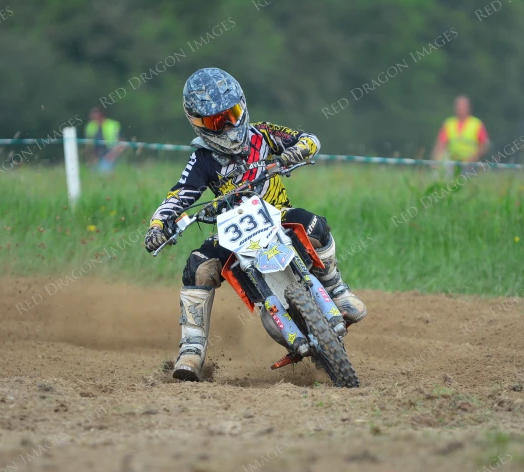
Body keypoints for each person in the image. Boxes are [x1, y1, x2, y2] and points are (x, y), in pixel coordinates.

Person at [143, 67, 368, 382]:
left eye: (231, 115)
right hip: (234, 231)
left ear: (242, 107)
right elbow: (179, 195)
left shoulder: (262, 134)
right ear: (197, 123)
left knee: (313, 224)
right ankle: (191, 349)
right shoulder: (202, 158)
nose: (226, 125)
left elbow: (309, 140)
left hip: (277, 215)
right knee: (198, 265)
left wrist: (292, 154)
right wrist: (158, 225)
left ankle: (336, 288)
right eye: (214, 122)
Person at [433, 96, 489, 174]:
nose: (460, 108)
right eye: (458, 106)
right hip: (452, 162)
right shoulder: (449, 123)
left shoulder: (476, 124)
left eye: (463, 106)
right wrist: (437, 159)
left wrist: (474, 157)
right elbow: (440, 144)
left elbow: (484, 145)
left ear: (469, 108)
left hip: (470, 164)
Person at [84, 107, 124, 173]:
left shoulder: (113, 125)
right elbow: (89, 145)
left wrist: (112, 156)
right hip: (96, 156)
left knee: (105, 172)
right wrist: (91, 158)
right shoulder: (90, 126)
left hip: (110, 154)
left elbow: (122, 143)